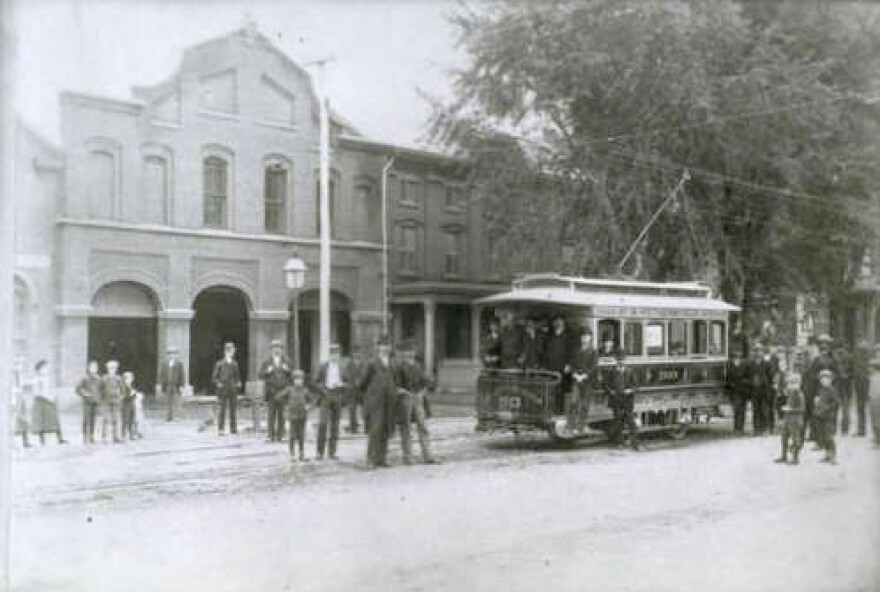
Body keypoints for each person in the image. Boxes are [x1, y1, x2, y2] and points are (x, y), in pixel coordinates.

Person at [359, 335, 397, 468]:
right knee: (375, 430)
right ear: (378, 348)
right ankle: (370, 459)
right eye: (382, 346)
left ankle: (382, 458)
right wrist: (370, 397)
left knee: (386, 428)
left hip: (389, 401)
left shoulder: (392, 363)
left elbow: (395, 380)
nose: (385, 348)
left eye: (387, 346)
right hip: (376, 402)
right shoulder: (372, 363)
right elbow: (363, 382)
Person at [312, 343, 349, 460]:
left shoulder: (342, 368)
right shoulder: (323, 366)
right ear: (329, 355)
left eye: (337, 354)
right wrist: (323, 390)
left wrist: (342, 385)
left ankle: (332, 452)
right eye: (332, 354)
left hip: (337, 396)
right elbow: (315, 382)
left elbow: (348, 383)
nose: (334, 356)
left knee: (335, 425)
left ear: (339, 355)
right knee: (322, 424)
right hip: (326, 395)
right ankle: (319, 452)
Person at [803, 334, 840, 442]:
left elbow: (837, 373)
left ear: (829, 346)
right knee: (816, 411)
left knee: (829, 409)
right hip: (817, 388)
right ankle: (815, 434)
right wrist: (817, 379)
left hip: (829, 388)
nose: (824, 346)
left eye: (826, 344)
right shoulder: (817, 359)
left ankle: (829, 432)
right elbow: (810, 373)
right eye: (822, 344)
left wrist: (831, 381)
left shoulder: (833, 359)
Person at [604, 349, 641, 451]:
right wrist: (611, 391)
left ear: (625, 360)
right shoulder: (612, 371)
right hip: (616, 400)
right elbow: (606, 384)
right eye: (619, 360)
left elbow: (636, 386)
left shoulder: (630, 371)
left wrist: (630, 390)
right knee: (618, 421)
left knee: (631, 422)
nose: (620, 361)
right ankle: (619, 442)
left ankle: (635, 444)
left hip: (628, 400)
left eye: (622, 359)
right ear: (616, 360)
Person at [258, 340, 293, 442]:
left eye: (279, 348)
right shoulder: (266, 362)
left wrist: (288, 370)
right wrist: (267, 371)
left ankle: (281, 435)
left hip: (283, 391)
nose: (276, 350)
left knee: (282, 415)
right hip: (271, 392)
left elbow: (293, 376)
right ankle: (270, 435)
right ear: (271, 350)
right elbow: (260, 375)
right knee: (271, 415)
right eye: (274, 348)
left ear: (282, 350)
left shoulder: (287, 361)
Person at [30, 360, 67, 445]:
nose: (46, 369)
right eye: (44, 368)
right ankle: (42, 441)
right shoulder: (37, 379)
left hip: (48, 401)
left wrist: (53, 395)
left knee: (55, 419)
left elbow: (48, 389)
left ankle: (60, 438)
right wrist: (48, 397)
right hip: (41, 402)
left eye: (47, 368)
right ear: (39, 369)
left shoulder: (47, 378)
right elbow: (37, 392)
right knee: (41, 422)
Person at [545, 316, 575, 413]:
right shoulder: (550, 337)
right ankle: (551, 409)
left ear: (563, 325)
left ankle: (559, 411)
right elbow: (546, 351)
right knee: (551, 390)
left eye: (560, 323)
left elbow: (571, 352)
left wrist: (568, 364)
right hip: (551, 368)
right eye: (556, 323)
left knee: (561, 391)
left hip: (562, 368)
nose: (558, 325)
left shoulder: (568, 337)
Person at [774, 371, 805, 465]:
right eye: (789, 383)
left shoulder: (800, 395)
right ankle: (784, 456)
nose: (791, 386)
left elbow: (802, 409)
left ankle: (795, 458)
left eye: (793, 383)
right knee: (784, 438)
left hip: (796, 420)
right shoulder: (790, 393)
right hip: (787, 419)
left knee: (795, 439)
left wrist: (790, 409)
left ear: (799, 384)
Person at [212, 341, 242, 436]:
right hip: (223, 389)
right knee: (222, 410)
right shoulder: (219, 364)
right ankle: (221, 429)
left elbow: (237, 376)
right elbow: (214, 377)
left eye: (232, 351)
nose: (231, 353)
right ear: (225, 352)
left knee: (233, 409)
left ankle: (233, 429)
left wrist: (238, 382)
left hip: (233, 389)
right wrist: (218, 383)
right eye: (229, 351)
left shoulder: (235, 363)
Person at [570, 330, 598, 431]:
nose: (584, 338)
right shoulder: (576, 350)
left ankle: (581, 426)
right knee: (573, 402)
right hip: (576, 380)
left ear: (590, 338)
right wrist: (575, 374)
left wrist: (584, 376)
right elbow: (572, 364)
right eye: (583, 336)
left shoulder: (593, 351)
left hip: (587, 382)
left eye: (586, 336)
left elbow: (594, 367)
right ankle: (572, 425)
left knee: (584, 405)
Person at [283, 370, 313, 462]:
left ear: (303, 380)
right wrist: (286, 405)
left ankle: (301, 453)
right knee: (292, 436)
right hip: (292, 416)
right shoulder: (289, 389)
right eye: (296, 379)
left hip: (302, 416)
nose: (298, 381)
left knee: (301, 436)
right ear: (293, 380)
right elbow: (279, 397)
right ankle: (292, 455)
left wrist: (308, 405)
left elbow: (312, 400)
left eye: (300, 379)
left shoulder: (306, 390)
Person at [814, 369, 840, 464]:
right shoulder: (821, 390)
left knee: (829, 437)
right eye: (822, 379)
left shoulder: (832, 390)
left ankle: (833, 456)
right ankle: (827, 454)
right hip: (821, 416)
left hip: (829, 417)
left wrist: (827, 407)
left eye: (826, 379)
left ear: (831, 380)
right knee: (824, 436)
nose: (824, 381)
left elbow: (836, 403)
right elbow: (820, 402)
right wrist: (817, 404)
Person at [75, 360, 102, 444]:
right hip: (86, 402)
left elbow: (100, 389)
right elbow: (78, 389)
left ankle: (91, 436)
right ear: (88, 368)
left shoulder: (98, 378)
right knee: (86, 419)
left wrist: (99, 398)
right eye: (92, 367)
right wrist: (85, 394)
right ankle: (85, 437)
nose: (93, 369)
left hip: (95, 402)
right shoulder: (84, 378)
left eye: (95, 367)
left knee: (93, 420)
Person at [100, 359, 125, 443]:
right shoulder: (104, 378)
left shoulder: (118, 378)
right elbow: (100, 389)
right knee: (106, 419)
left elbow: (123, 390)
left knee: (115, 419)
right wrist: (101, 399)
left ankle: (115, 437)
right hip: (106, 401)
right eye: (110, 368)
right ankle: (104, 437)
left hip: (116, 401)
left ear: (116, 369)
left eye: (114, 368)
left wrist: (120, 397)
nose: (112, 369)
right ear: (107, 369)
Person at [851, 340, 873, 437]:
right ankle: (862, 429)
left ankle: (861, 430)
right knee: (864, 409)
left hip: (862, 386)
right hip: (865, 386)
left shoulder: (860, 361)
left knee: (861, 409)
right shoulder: (869, 361)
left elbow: (857, 374)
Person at [159, 346, 186, 422]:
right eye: (170, 354)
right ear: (167, 355)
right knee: (168, 401)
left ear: (176, 355)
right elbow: (162, 374)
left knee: (176, 401)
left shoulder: (179, 364)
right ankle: (168, 417)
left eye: (173, 354)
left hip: (176, 385)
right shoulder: (164, 364)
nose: (171, 356)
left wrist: (182, 385)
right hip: (167, 385)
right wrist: (162, 384)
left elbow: (182, 375)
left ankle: (177, 417)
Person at [726, 352, 751, 434]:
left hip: (743, 390)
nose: (737, 359)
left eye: (738, 358)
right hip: (734, 391)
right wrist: (731, 385)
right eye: (735, 358)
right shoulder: (730, 366)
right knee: (736, 410)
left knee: (742, 410)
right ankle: (736, 428)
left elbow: (748, 377)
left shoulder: (745, 365)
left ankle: (741, 428)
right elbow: (728, 378)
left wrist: (745, 382)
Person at [345, 344, 366, 433]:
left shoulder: (363, 363)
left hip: (361, 390)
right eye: (355, 353)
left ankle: (366, 427)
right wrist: (352, 382)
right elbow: (346, 375)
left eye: (358, 353)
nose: (357, 354)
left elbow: (365, 374)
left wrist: (361, 381)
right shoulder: (349, 363)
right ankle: (353, 427)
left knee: (365, 408)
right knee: (352, 409)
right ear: (352, 354)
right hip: (352, 389)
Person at [834, 343, 853, 434]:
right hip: (845, 385)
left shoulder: (835, 357)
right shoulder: (850, 357)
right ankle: (844, 428)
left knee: (837, 406)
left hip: (840, 385)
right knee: (845, 408)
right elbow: (853, 372)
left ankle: (836, 428)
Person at [12, 359, 32, 448]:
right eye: (17, 363)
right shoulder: (12, 376)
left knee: (24, 419)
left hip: (20, 398)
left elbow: (22, 385)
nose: (20, 366)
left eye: (20, 364)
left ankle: (25, 441)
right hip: (15, 399)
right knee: (14, 420)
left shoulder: (20, 375)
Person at [121, 371, 143, 440]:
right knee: (125, 420)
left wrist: (137, 395)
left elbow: (133, 395)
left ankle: (131, 434)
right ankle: (123, 434)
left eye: (130, 379)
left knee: (131, 420)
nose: (129, 380)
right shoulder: (123, 387)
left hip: (131, 405)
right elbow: (124, 396)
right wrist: (131, 394)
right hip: (125, 406)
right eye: (127, 379)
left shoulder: (131, 386)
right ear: (124, 379)